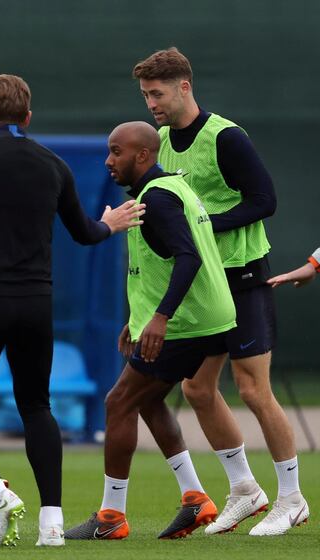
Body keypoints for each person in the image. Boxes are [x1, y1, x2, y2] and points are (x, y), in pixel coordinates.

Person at [0, 75, 145, 547]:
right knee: (36, 406)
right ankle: (52, 526)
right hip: (36, 302)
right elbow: (84, 233)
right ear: (29, 117)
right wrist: (110, 223)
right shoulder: (52, 164)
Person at [133, 48, 309, 536]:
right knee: (197, 389)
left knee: (254, 389)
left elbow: (265, 200)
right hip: (203, 282)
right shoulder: (161, 142)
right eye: (147, 95)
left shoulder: (226, 137)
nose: (152, 103)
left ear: (184, 87)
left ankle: (292, 499)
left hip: (244, 276)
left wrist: (206, 226)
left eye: (158, 93)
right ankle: (245, 492)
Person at [66, 121, 230, 540]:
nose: (108, 160)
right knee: (147, 400)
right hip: (205, 318)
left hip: (186, 324)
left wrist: (160, 318)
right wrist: (139, 319)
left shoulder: (157, 199)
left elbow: (188, 258)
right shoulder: (169, 189)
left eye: (116, 151)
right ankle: (195, 497)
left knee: (118, 402)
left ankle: (111, 517)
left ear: (143, 155)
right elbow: (162, 266)